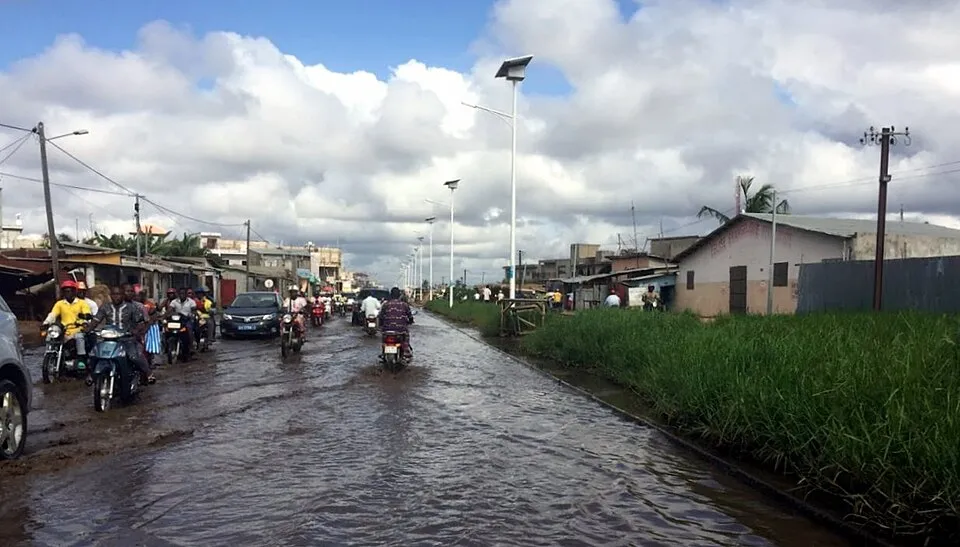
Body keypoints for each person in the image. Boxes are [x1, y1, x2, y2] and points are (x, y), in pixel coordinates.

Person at [86, 285, 155, 384]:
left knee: (134, 356)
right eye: (114, 294)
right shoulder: (105, 307)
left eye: (118, 294)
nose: (116, 297)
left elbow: (140, 323)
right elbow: (96, 321)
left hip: (127, 338)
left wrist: (136, 330)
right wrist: (88, 329)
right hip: (109, 339)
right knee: (94, 353)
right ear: (110, 295)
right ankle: (92, 375)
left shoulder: (132, 307)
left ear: (123, 295)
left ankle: (149, 374)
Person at [42, 280, 93, 372]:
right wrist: (46, 323)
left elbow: (87, 313)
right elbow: (53, 314)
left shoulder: (82, 303)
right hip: (64, 330)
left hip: (78, 329)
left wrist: (84, 319)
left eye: (69, 291)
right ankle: (49, 354)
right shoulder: (60, 304)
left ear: (74, 292)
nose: (67, 293)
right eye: (65, 291)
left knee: (79, 337)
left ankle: (81, 361)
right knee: (51, 335)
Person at [379, 287, 414, 356]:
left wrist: (381, 325)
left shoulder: (385, 304)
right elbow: (410, 316)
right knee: (406, 335)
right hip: (401, 330)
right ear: (399, 295)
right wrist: (411, 321)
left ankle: (383, 352)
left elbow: (380, 317)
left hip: (387, 329)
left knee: (383, 337)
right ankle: (405, 351)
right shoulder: (404, 305)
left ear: (391, 295)